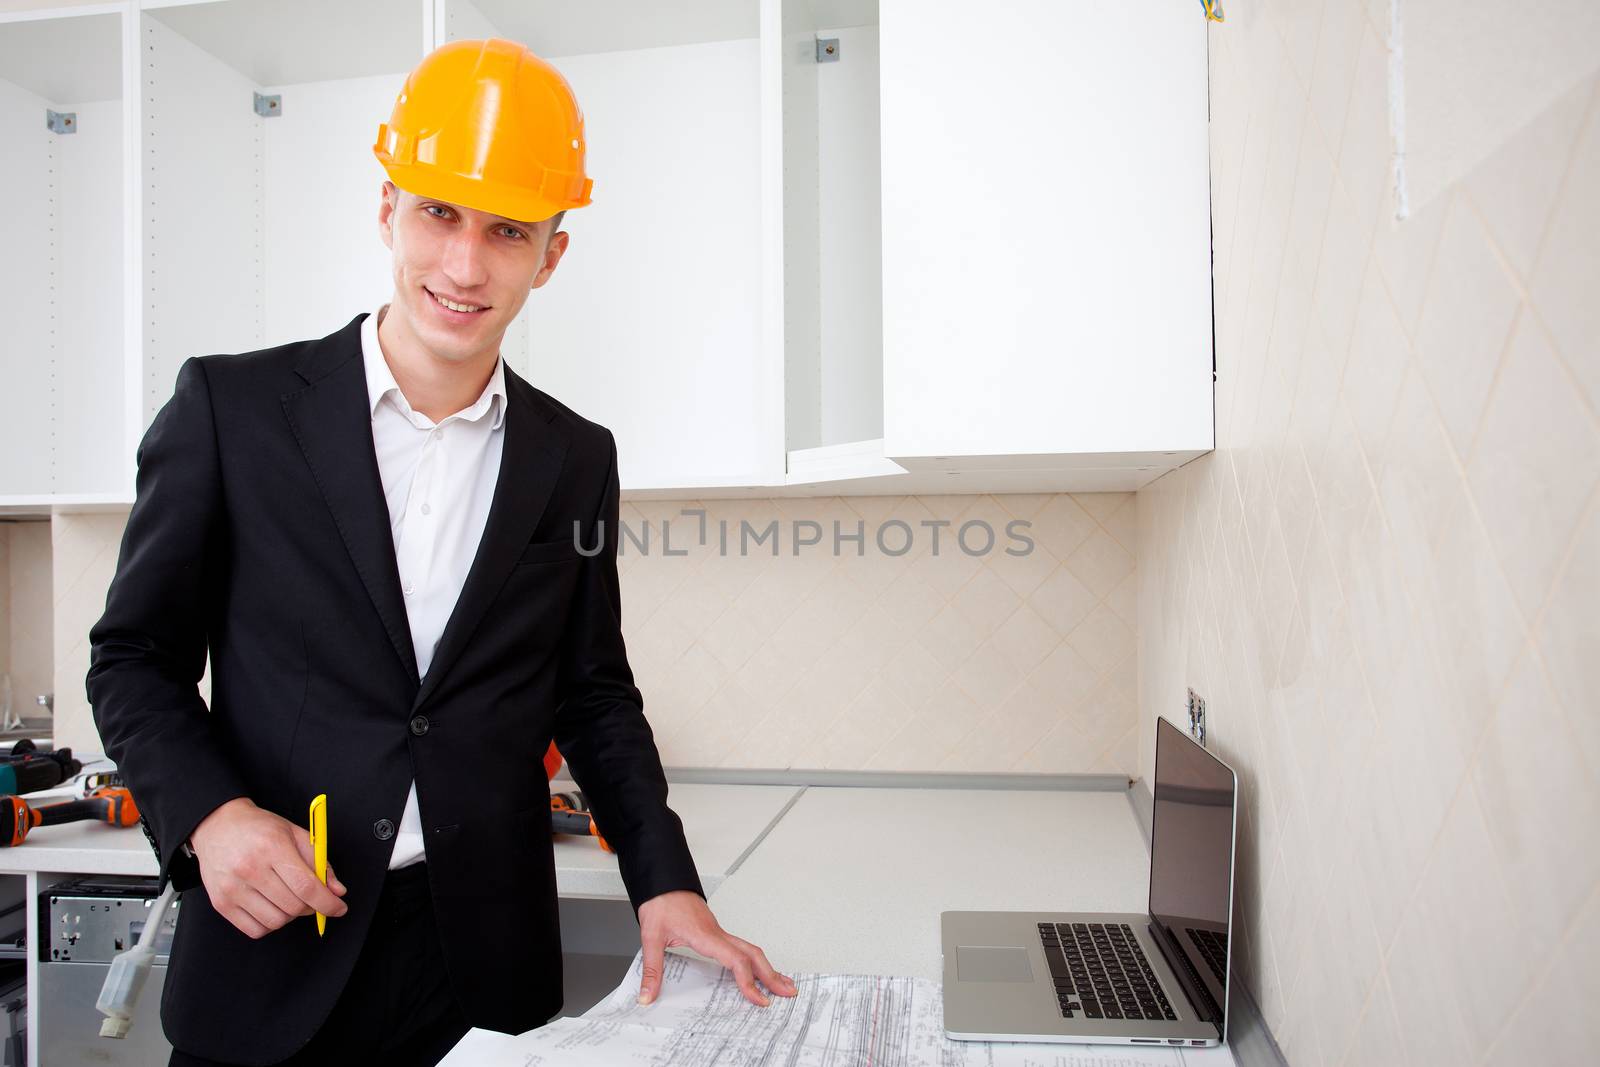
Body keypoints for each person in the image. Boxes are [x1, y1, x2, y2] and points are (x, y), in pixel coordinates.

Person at [86, 37, 796, 1067]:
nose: (465, 266)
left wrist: (665, 878)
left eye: (507, 230)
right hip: (272, 947)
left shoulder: (573, 457)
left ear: (552, 253)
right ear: (387, 209)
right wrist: (211, 816)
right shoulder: (230, 412)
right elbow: (133, 658)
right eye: (437, 213)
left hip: (479, 966)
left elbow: (592, 694)